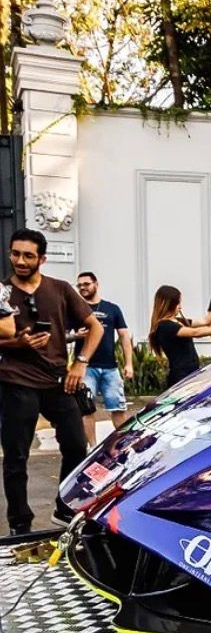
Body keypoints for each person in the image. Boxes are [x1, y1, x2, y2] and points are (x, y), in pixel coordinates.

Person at [0, 229, 101, 535]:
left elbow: (94, 327)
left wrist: (80, 364)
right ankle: (20, 525)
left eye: (28, 255)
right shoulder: (2, 291)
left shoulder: (60, 289)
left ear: (42, 258)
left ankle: (64, 510)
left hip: (59, 382)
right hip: (16, 382)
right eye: (15, 253)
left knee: (75, 446)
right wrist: (20, 344)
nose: (20, 260)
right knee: (16, 456)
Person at [72, 271, 134, 445]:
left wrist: (129, 363)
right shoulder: (76, 309)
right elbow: (64, 333)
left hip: (110, 368)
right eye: (79, 285)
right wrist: (75, 335)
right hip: (85, 367)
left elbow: (123, 335)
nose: (82, 288)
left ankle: (123, 446)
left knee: (118, 408)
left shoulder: (112, 308)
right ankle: (92, 448)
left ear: (96, 284)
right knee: (86, 409)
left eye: (86, 284)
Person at [148, 286, 211, 388]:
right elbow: (196, 332)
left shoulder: (178, 321)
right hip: (181, 376)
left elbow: (206, 321)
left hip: (191, 373)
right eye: (178, 303)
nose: (180, 307)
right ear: (170, 305)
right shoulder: (165, 326)